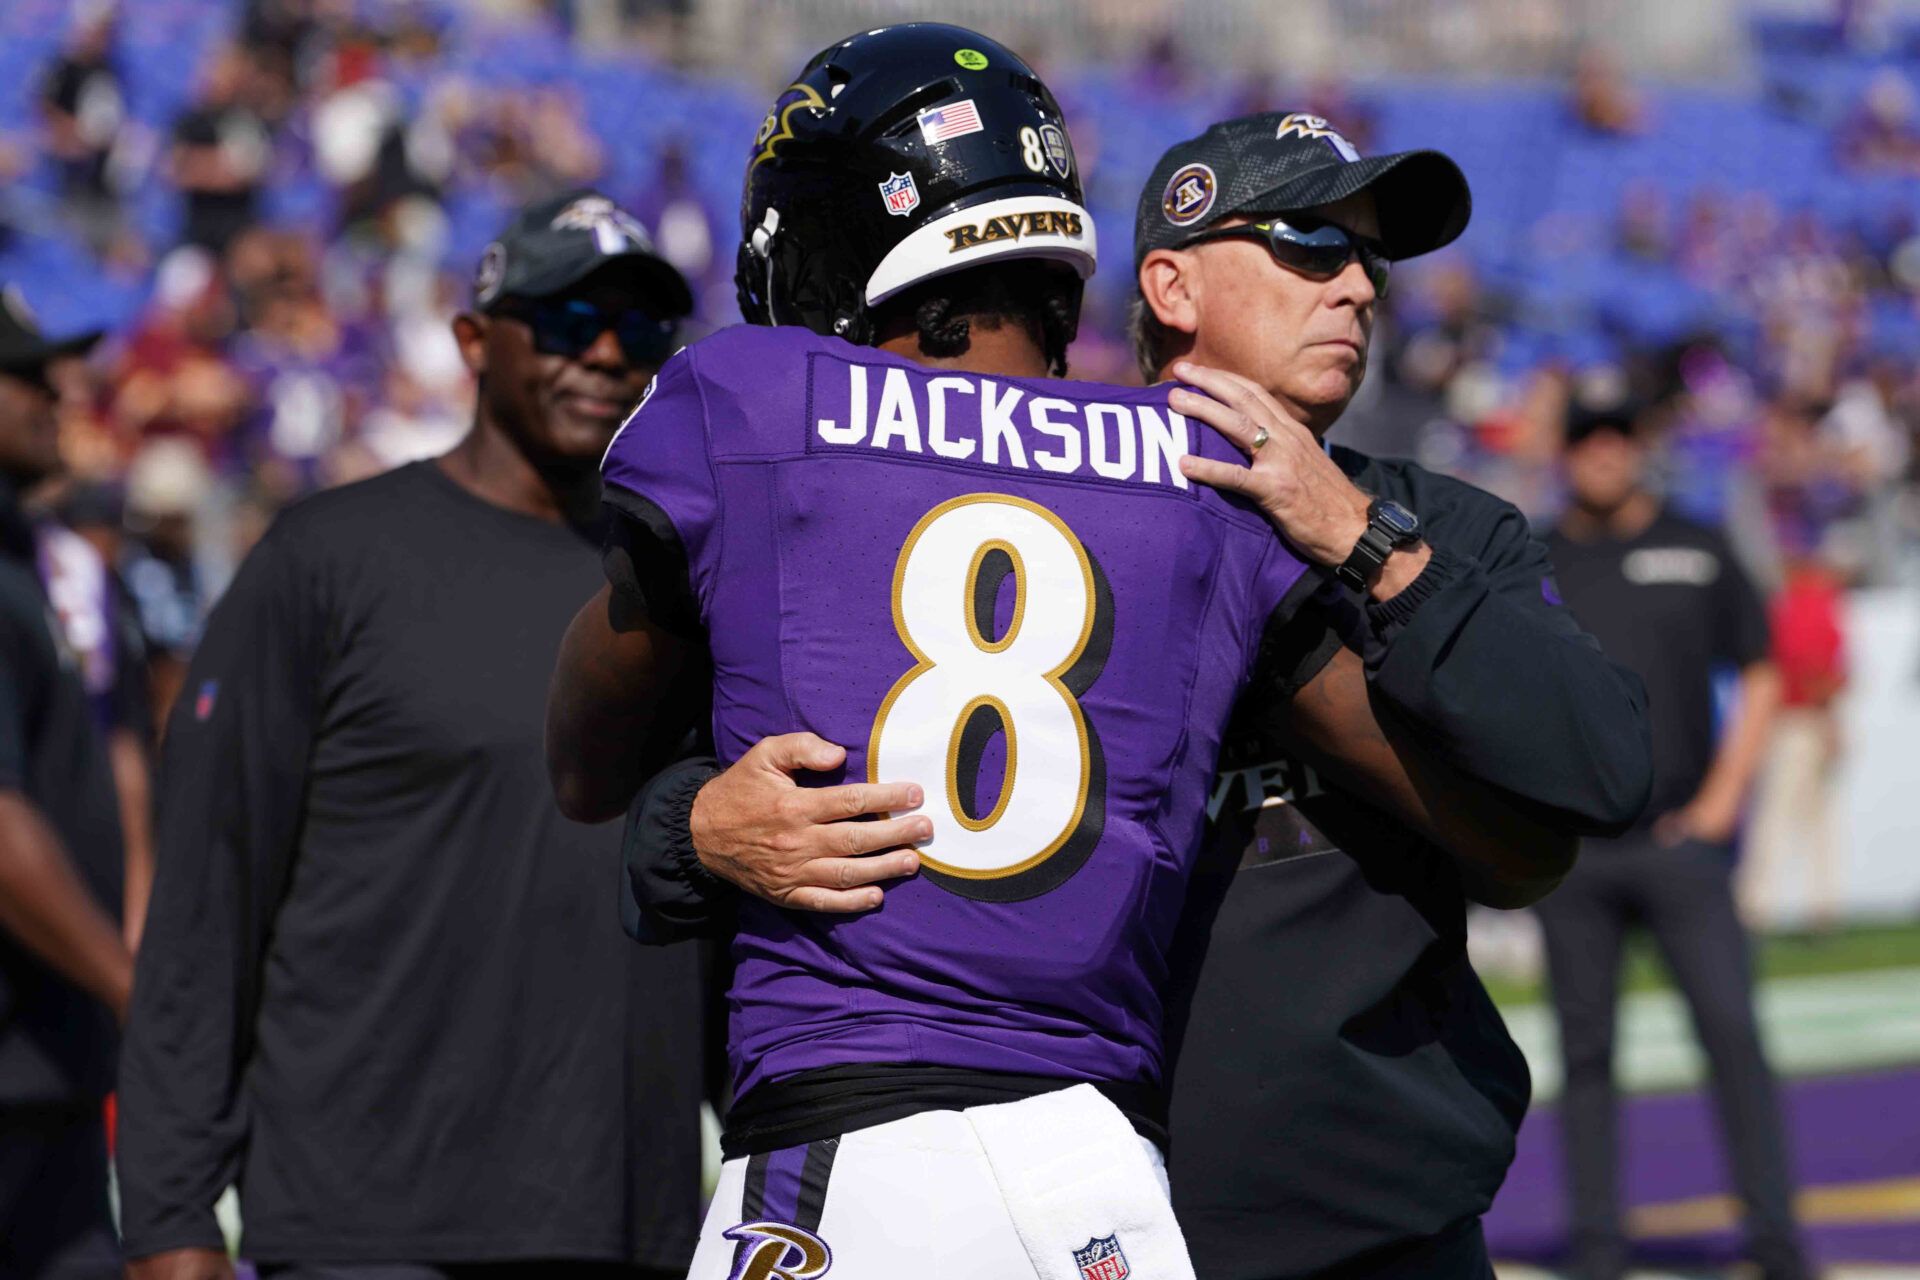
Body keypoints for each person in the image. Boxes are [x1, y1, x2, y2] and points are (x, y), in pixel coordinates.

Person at [627, 110, 1658, 1278]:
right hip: (1077, 1202)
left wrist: (1355, 537)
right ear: (1170, 280)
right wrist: (694, 824)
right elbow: (646, 778)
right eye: (1312, 239)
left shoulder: (1441, 529)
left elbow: (1606, 772)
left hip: (1386, 1223)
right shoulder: (987, 495)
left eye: (1372, 256)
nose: (1360, 286)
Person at [116, 190, 710, 1280]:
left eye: (646, 329)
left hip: (628, 1220)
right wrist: (170, 1218)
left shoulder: (687, 588)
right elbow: (207, 904)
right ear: (474, 340)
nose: (613, 354)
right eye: (574, 321)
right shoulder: (326, 559)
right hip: (368, 1224)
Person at [1542, 402, 1810, 1280]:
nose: (1603, 452)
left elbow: (1763, 666)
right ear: (1569, 452)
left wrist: (1727, 799)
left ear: (1638, 447)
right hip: (1575, 854)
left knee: (1732, 1034)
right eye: (1586, 436)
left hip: (1681, 843)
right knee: (1585, 1057)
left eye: (1617, 434)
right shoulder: (1535, 559)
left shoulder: (1699, 547)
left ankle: (1775, 1244)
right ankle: (1597, 1250)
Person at [0, 287, 127, 1279]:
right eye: (26, 371)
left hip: (50, 1068)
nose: (57, 390)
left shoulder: (36, 566)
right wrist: (135, 985)